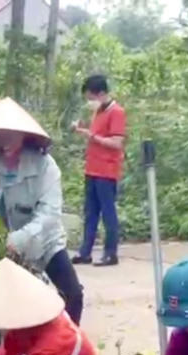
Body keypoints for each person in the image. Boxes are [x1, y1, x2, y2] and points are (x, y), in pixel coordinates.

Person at [0, 98, 84, 326]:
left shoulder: (45, 166)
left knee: (73, 295)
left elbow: (49, 214)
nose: (4, 142)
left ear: (24, 136)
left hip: (45, 242)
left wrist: (19, 239)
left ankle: (66, 348)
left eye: (10, 136)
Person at [72, 74, 126, 268]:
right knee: (90, 212)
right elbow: (96, 136)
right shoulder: (99, 113)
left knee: (108, 212)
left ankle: (111, 253)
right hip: (92, 169)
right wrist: (83, 132)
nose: (90, 102)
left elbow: (116, 142)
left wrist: (92, 136)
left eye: (91, 98)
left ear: (101, 93)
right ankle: (85, 252)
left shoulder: (116, 112)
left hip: (107, 170)